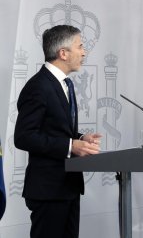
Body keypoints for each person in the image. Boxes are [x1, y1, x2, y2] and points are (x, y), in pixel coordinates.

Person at [14, 25, 101, 238]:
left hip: (67, 187)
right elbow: (24, 136)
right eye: (80, 46)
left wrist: (80, 137)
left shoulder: (65, 84)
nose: (84, 52)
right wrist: (71, 146)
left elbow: (55, 128)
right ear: (63, 53)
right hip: (48, 190)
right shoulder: (38, 86)